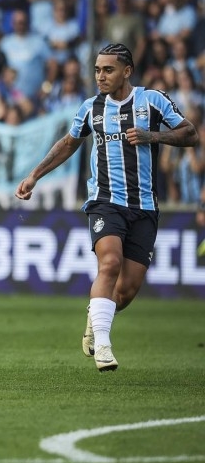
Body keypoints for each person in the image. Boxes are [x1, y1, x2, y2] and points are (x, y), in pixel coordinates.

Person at [16, 43, 198, 372]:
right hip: (105, 202)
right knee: (109, 262)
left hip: (144, 207)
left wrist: (152, 136)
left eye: (108, 70)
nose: (101, 76)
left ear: (126, 71)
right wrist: (34, 176)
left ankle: (95, 317)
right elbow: (68, 143)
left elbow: (190, 134)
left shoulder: (153, 101)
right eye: (98, 70)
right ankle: (103, 345)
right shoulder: (91, 108)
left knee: (125, 292)